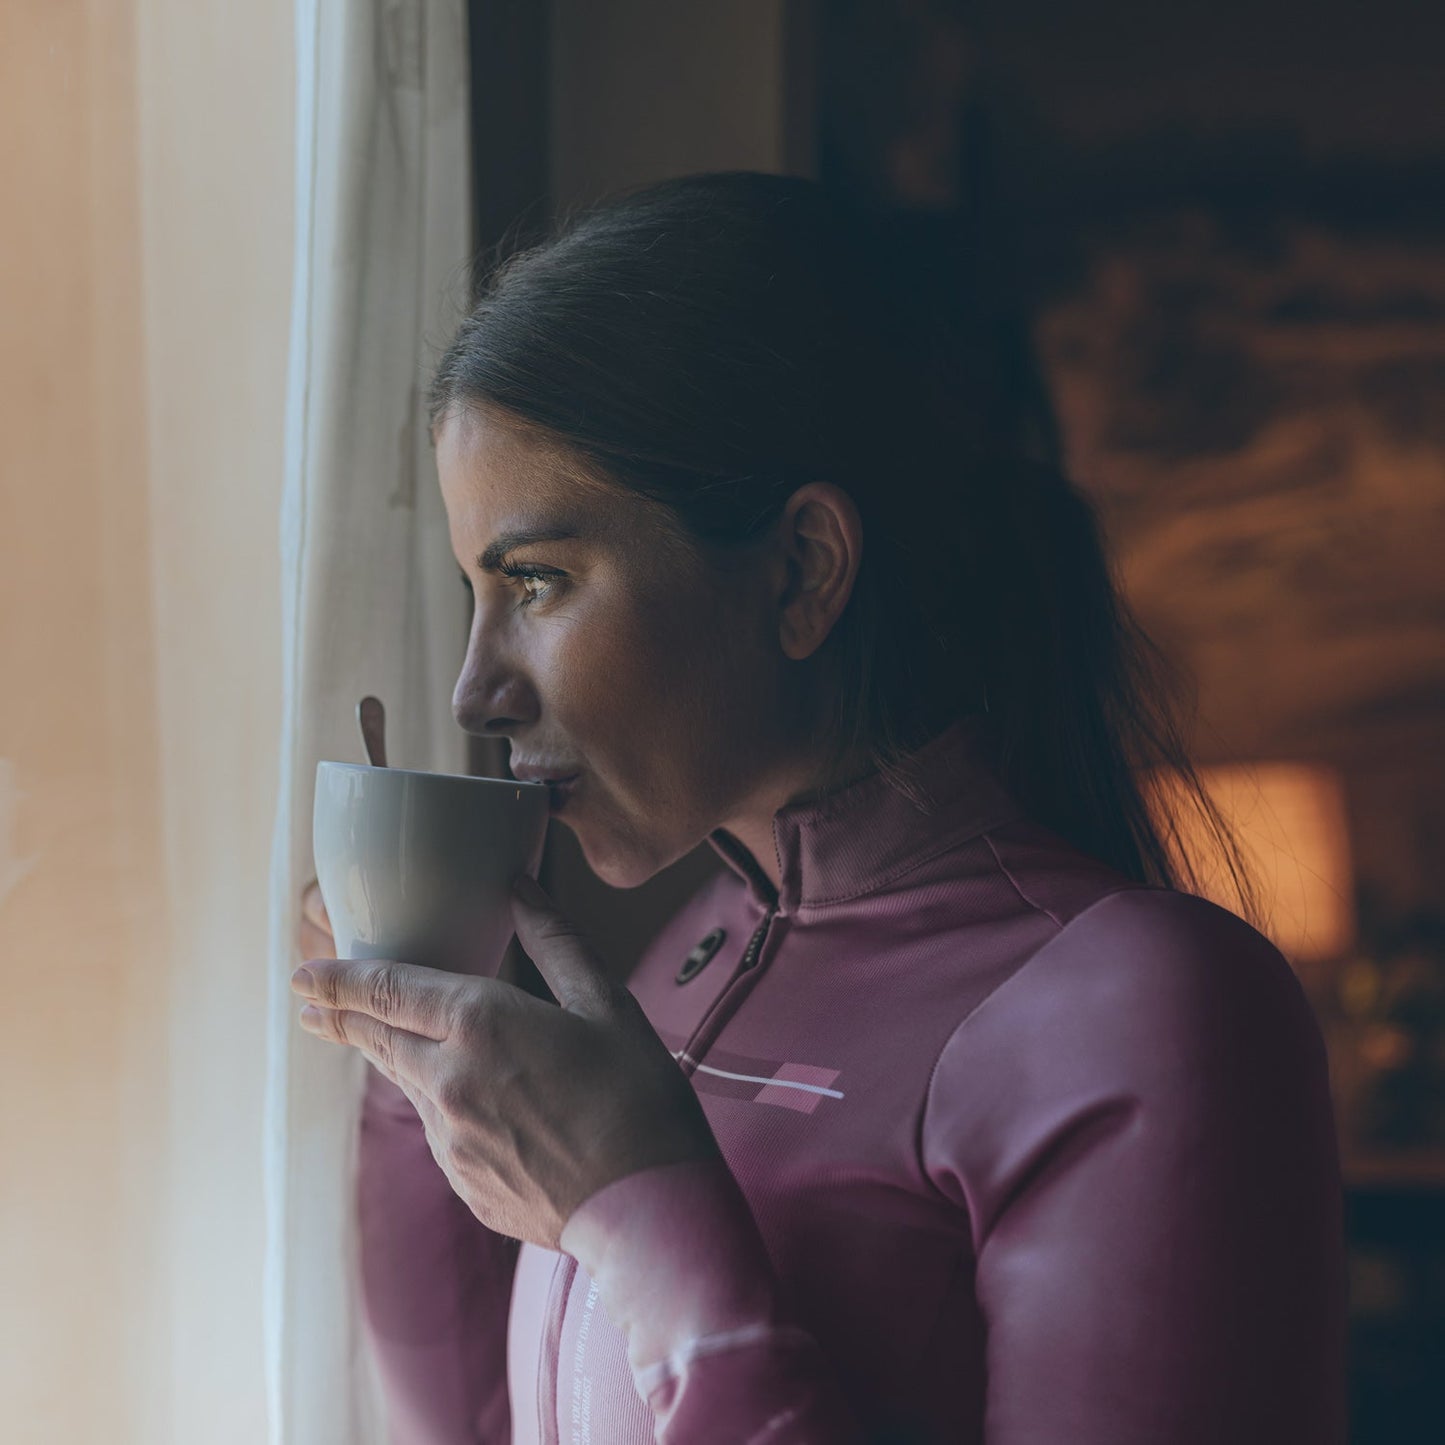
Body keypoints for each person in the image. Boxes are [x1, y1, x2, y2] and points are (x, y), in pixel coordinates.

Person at [295, 172, 1347, 1444]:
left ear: (800, 568)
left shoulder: (1151, 1011)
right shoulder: (699, 941)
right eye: (478, 586)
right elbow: (475, 1417)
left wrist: (642, 1217)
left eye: (538, 580)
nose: (475, 689)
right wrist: (422, 1064)